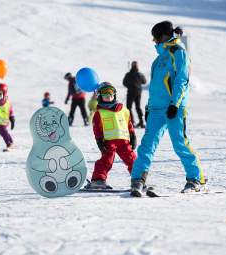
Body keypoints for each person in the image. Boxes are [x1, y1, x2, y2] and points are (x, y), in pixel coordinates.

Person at [130, 21, 205, 197]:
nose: (153, 41)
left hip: (174, 108)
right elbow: (155, 86)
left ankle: (194, 179)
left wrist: (175, 104)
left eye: (154, 37)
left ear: (163, 36)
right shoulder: (158, 59)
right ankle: (138, 179)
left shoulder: (179, 53)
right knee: (146, 145)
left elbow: (182, 80)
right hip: (156, 109)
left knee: (180, 143)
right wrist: (148, 107)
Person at [86, 82, 137, 189]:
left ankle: (138, 179)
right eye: (105, 95)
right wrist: (99, 140)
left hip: (124, 141)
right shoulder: (99, 112)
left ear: (114, 95)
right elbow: (97, 129)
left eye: (111, 94)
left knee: (132, 160)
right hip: (109, 142)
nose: (108, 97)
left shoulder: (123, 109)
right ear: (100, 97)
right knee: (106, 160)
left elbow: (128, 123)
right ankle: (98, 180)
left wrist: (132, 135)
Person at [122, 61, 147, 128]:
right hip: (138, 92)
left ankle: (132, 122)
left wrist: (129, 85)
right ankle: (141, 122)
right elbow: (144, 82)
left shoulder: (128, 74)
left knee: (129, 107)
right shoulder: (140, 74)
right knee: (138, 107)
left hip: (130, 92)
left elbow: (124, 83)